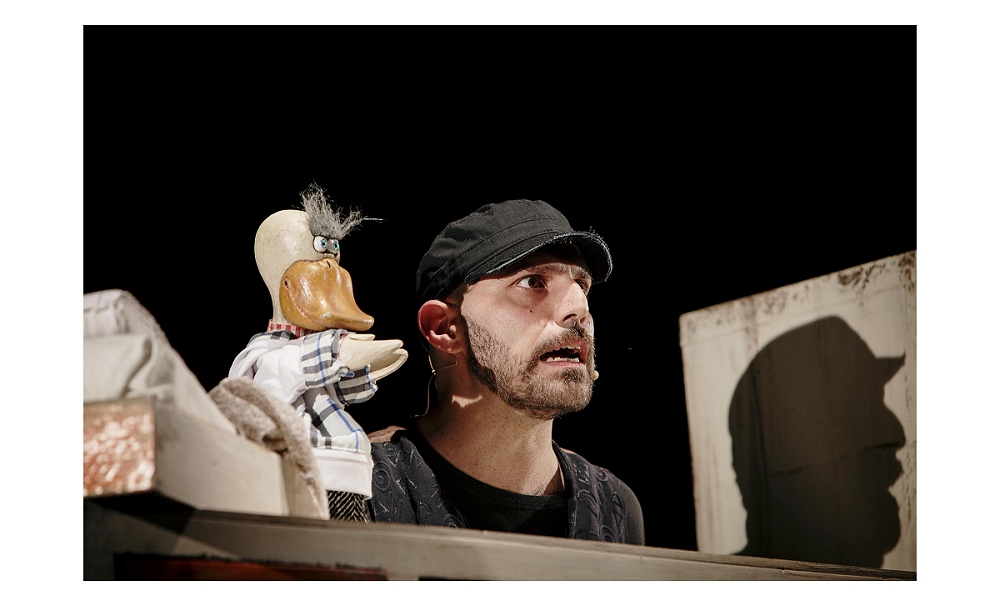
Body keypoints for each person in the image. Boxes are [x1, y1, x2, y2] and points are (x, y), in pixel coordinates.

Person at [365, 199, 645, 545]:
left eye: (581, 285)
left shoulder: (615, 508)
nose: (579, 310)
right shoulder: (357, 483)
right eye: (533, 282)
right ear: (444, 328)